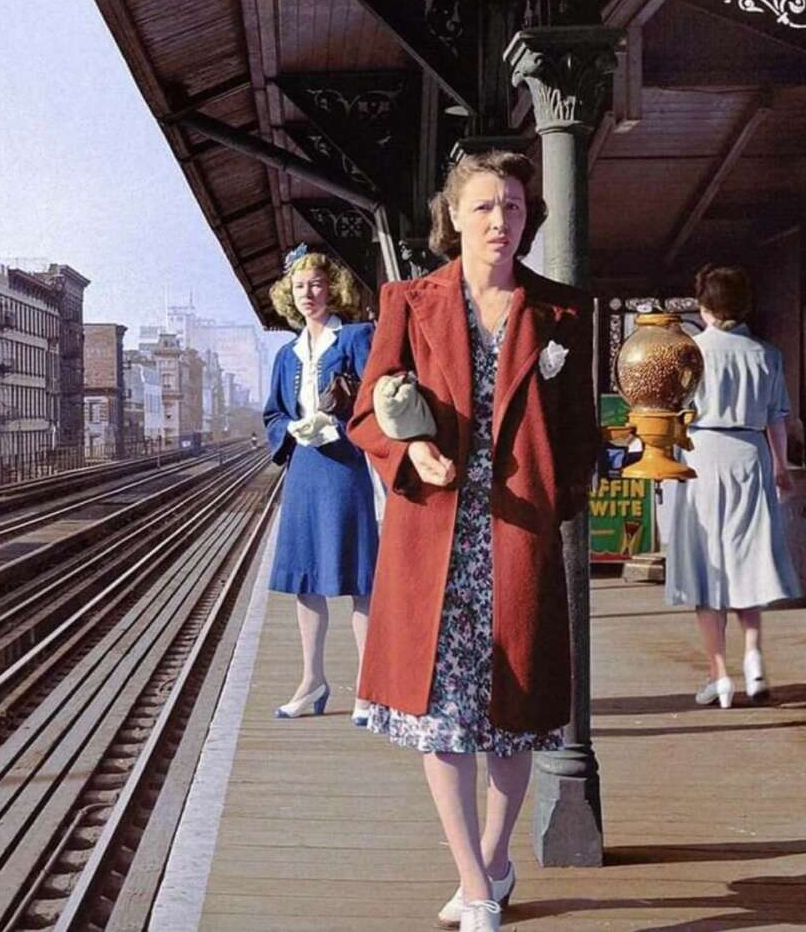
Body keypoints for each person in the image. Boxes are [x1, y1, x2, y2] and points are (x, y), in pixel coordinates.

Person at [347, 151, 600, 932]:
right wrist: (409, 452)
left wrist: (560, 489)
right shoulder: (407, 301)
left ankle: (492, 858)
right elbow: (365, 414)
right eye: (485, 207)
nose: (501, 221)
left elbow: (579, 432)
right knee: (442, 716)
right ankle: (477, 883)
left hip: (519, 540)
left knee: (515, 717)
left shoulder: (560, 310)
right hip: (436, 542)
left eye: (515, 208)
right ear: (453, 216)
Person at [663, 264, 801, 708]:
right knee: (748, 560)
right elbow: (778, 417)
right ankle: (755, 658)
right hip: (750, 452)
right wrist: (780, 466)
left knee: (708, 569)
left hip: (703, 454)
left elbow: (672, 413)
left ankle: (719, 674)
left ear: (703, 306)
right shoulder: (767, 354)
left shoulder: (691, 352)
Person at [263, 245, 379, 724]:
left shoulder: (354, 337)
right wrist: (290, 430)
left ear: (332, 288)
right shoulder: (285, 355)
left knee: (357, 580)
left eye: (315, 284)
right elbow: (273, 412)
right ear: (289, 294)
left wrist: (344, 426)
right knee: (306, 583)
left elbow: (375, 396)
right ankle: (312, 680)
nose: (308, 293)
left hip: (346, 467)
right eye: (299, 286)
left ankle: (369, 691)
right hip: (305, 471)